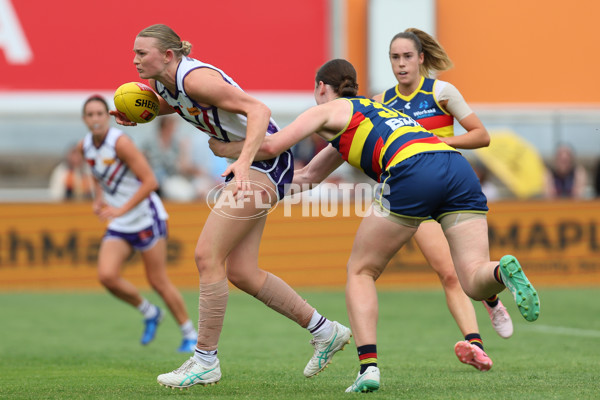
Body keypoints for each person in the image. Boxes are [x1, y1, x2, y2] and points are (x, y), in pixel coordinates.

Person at [209, 59, 540, 393]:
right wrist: (268, 186)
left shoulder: (326, 110)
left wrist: (227, 150)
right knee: (472, 279)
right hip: (456, 168)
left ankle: (368, 368)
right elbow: (308, 176)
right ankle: (501, 272)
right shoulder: (370, 111)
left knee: (361, 270)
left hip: (412, 169)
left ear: (321, 87)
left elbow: (268, 146)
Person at [110, 24, 351, 389]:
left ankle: (205, 360)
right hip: (252, 162)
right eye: (135, 53)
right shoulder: (165, 85)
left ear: (169, 55)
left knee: (208, 255)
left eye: (142, 53)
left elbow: (258, 109)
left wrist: (241, 159)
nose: (135, 59)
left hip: (263, 162)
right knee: (242, 271)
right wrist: (144, 112)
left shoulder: (196, 79)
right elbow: (175, 104)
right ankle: (326, 330)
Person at [371, 28, 513, 370]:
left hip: (451, 186)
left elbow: (481, 135)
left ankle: (491, 298)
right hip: (413, 194)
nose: (401, 64)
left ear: (421, 59)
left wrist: (441, 142)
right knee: (448, 273)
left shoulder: (442, 92)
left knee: (463, 269)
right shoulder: (380, 103)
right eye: (395, 58)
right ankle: (476, 344)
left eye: (407, 57)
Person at [78, 94, 197, 353]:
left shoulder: (120, 143)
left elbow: (151, 182)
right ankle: (150, 312)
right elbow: (95, 173)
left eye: (100, 113)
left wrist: (121, 208)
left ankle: (190, 335)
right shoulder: (86, 145)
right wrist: (98, 199)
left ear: (107, 116)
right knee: (107, 276)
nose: (95, 119)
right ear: (84, 119)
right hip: (121, 221)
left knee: (158, 280)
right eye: (90, 115)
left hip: (145, 216)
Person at [142, 115, 216, 201]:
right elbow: (144, 159)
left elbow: (182, 166)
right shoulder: (150, 142)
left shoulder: (176, 142)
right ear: (166, 126)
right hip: (158, 179)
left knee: (200, 188)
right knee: (184, 194)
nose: (174, 129)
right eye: (172, 126)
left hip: (174, 178)